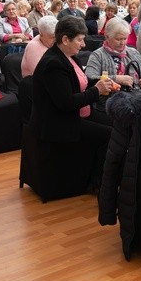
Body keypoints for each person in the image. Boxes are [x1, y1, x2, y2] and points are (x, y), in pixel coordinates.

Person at [30, 16, 113, 199]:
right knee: (108, 135)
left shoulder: (68, 57)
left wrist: (101, 82)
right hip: (57, 122)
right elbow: (66, 102)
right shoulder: (53, 63)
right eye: (79, 40)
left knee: (116, 124)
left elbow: (79, 83)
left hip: (75, 114)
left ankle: (104, 178)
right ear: (65, 39)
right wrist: (97, 91)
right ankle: (99, 182)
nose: (83, 45)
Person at [85, 18, 141, 90]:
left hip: (136, 97)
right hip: (109, 99)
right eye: (118, 39)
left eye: (125, 39)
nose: (122, 43)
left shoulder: (134, 52)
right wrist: (115, 79)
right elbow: (90, 78)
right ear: (107, 37)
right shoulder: (97, 55)